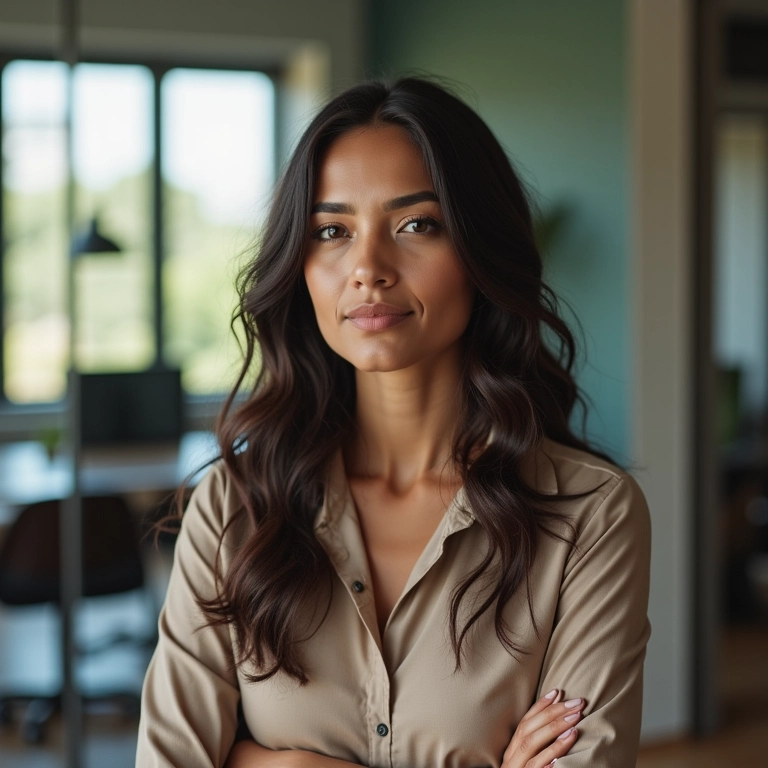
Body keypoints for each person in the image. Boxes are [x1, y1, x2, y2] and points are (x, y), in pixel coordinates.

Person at [136, 77, 651, 768]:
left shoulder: (591, 516)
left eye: (417, 225)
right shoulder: (234, 507)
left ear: (479, 249)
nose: (368, 269)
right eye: (332, 231)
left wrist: (273, 762)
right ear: (301, 263)